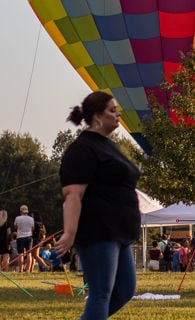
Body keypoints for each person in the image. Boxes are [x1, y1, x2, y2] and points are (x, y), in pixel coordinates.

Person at [54, 91, 141, 320]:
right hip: (98, 231)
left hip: (120, 232)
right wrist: (70, 233)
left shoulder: (108, 146)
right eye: (112, 110)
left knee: (124, 290)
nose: (118, 114)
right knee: (101, 293)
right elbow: (73, 194)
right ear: (96, 116)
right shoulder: (83, 148)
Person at [14, 204, 35, 272]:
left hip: (20, 237)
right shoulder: (31, 219)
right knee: (29, 253)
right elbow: (33, 228)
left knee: (20, 253)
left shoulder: (17, 218)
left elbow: (16, 227)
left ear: (20, 211)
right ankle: (28, 270)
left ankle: (20, 269)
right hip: (29, 237)